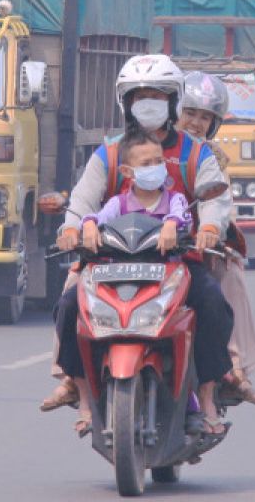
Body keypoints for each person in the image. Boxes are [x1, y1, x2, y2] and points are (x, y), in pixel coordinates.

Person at [47, 55, 235, 436]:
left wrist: (211, 226)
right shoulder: (110, 153)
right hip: (111, 260)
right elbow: (84, 199)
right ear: (126, 103)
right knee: (68, 306)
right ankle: (79, 389)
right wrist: (73, 228)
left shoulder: (195, 152)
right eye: (139, 96)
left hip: (177, 261)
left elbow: (215, 199)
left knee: (213, 304)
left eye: (157, 95)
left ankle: (208, 395)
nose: (148, 102)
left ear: (173, 100)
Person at [54, 131, 192, 434]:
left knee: (202, 311)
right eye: (147, 163)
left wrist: (172, 224)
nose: (156, 167)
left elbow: (182, 218)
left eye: (159, 161)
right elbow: (95, 217)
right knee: (68, 307)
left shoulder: (174, 201)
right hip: (117, 280)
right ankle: (83, 394)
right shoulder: (118, 204)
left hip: (164, 281)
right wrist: (86, 227)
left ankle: (196, 393)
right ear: (128, 172)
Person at [177, 71, 255, 408]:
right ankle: (76, 378)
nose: (196, 123)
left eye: (204, 117)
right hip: (143, 246)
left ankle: (234, 369)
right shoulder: (147, 147)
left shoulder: (211, 157)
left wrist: (212, 228)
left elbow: (217, 201)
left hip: (194, 247)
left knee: (229, 273)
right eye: (190, 113)